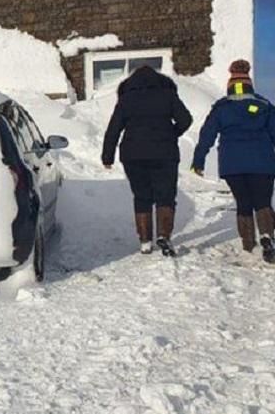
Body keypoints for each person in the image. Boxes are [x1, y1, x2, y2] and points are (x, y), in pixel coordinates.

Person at [102, 65, 193, 257]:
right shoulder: (167, 95)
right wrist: (171, 134)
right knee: (165, 195)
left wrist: (107, 156)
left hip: (133, 155)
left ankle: (144, 241)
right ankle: (164, 236)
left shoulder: (126, 99)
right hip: (164, 153)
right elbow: (185, 119)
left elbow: (114, 129)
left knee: (142, 196)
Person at [192, 60, 275, 263]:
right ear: (249, 83)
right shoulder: (264, 105)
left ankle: (248, 244)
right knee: (262, 201)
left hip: (233, 165)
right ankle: (267, 236)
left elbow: (207, 135)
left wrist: (198, 160)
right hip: (262, 163)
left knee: (243, 203)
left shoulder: (221, 108)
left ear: (230, 84)